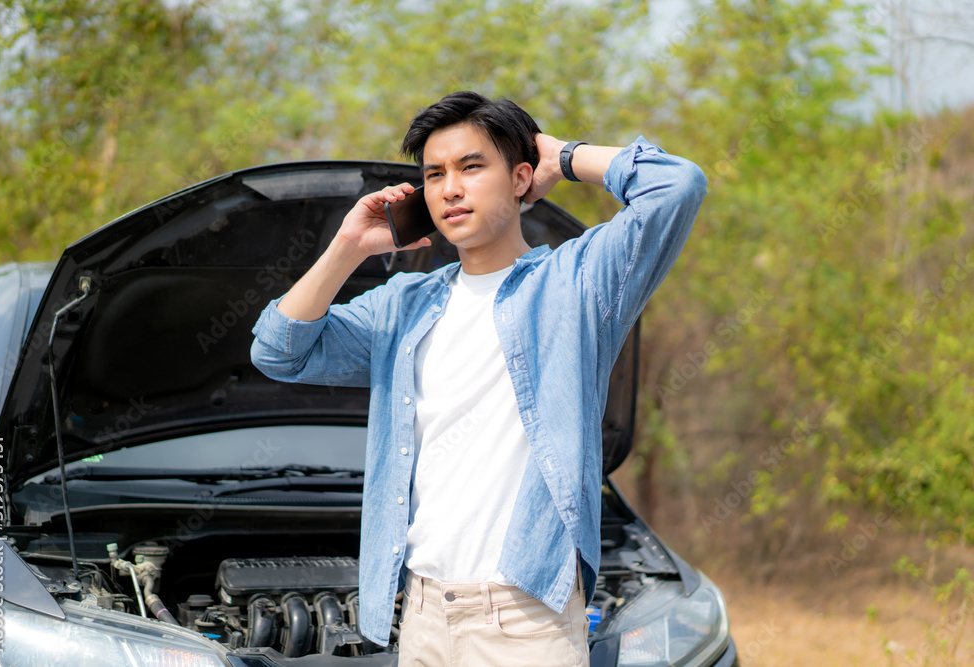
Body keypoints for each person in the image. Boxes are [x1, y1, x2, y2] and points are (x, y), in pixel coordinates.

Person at [250, 90, 707, 665]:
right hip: (420, 614)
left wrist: (558, 155)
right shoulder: (404, 305)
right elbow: (278, 351)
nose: (450, 189)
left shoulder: (576, 284)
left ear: (520, 178)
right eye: (434, 175)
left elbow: (677, 186)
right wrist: (349, 247)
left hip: (524, 617)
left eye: (472, 167)